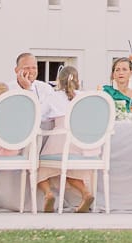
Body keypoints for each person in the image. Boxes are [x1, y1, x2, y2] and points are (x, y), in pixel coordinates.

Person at [37, 65, 95, 214]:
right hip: (81, 143)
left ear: (59, 81)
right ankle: (86, 193)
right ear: (77, 80)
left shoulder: (53, 97)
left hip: (59, 141)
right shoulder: (85, 97)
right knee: (70, 172)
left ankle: (48, 193)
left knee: (39, 167)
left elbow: (40, 116)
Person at [10, 52, 59, 125]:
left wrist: (28, 89)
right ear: (16, 70)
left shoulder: (46, 89)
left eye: (34, 68)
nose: (31, 71)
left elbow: (48, 115)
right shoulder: (7, 89)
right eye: (26, 68)